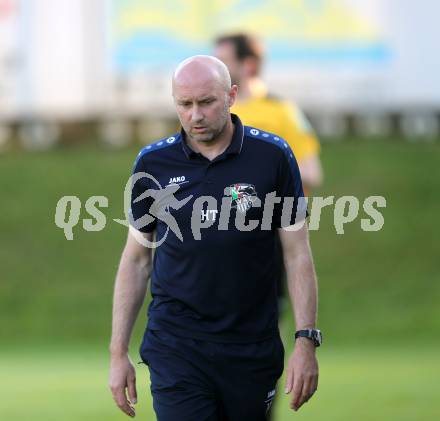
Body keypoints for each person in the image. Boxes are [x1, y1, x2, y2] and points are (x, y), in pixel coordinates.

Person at [109, 55, 321, 420]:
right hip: (175, 343)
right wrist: (118, 352)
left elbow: (297, 255)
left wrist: (305, 341)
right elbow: (136, 259)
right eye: (185, 104)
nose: (195, 115)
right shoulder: (152, 164)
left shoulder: (272, 156)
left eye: (206, 102)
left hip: (251, 345)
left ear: (231, 96)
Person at [214, 33, 323, 194]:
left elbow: (312, 173)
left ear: (248, 65)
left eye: (223, 62)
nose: (214, 70)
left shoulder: (282, 110)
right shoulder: (210, 112)